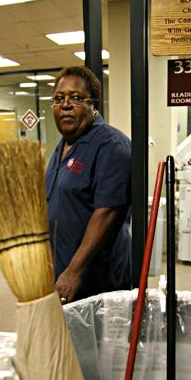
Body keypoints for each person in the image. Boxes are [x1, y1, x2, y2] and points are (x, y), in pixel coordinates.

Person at [45, 66, 131, 303]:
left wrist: (74, 271)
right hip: (63, 267)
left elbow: (106, 213)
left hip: (96, 277)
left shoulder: (112, 146)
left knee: (100, 339)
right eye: (59, 98)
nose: (65, 105)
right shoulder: (63, 145)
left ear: (95, 105)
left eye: (76, 98)